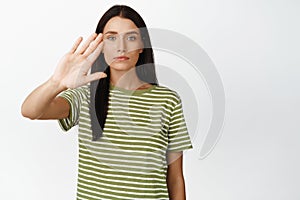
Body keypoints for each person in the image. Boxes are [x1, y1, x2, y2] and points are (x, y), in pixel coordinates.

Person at [21, 5, 193, 200]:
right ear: (100, 46)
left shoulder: (167, 100)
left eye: (131, 37)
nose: (121, 47)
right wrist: (56, 83)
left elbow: (176, 178)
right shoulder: (85, 96)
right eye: (111, 37)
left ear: (142, 45)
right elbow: (30, 111)